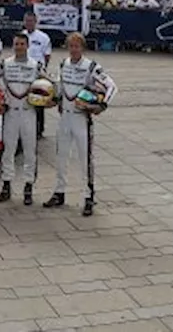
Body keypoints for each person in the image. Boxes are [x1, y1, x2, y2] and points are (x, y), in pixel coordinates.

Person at [46, 32, 117, 216]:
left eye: (77, 46)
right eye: (71, 46)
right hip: (65, 119)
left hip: (81, 119)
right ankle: (59, 192)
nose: (73, 49)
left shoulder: (91, 66)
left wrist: (102, 105)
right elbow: (60, 89)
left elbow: (111, 86)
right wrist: (54, 99)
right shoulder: (63, 64)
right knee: (61, 157)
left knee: (85, 159)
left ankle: (88, 197)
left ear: (82, 48)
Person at [0, 32, 41, 206]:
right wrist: (3, 94)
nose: (19, 47)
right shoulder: (5, 63)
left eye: (22, 44)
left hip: (29, 112)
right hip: (11, 112)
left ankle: (28, 187)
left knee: (30, 151)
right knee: (8, 150)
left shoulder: (36, 65)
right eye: (16, 44)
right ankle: (6, 186)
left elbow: (47, 83)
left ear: (27, 46)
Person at [22, 11, 52, 137]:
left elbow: (47, 55)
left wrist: (42, 70)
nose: (28, 23)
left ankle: (39, 130)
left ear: (35, 22)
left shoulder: (43, 37)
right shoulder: (21, 35)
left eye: (31, 21)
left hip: (37, 73)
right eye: (26, 21)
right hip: (23, 72)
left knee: (39, 101)